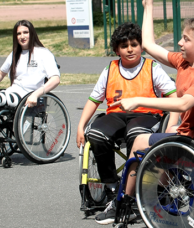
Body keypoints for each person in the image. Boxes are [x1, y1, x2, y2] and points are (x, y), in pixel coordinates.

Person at [109, 0, 194, 204]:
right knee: (170, 128)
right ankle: (162, 190)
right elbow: (150, 45)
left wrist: (138, 101)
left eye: (186, 39)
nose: (180, 43)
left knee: (141, 141)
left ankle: (125, 201)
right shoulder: (185, 62)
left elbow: (182, 104)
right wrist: (148, 4)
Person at [75, 22, 178, 225]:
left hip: (146, 114)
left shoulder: (152, 67)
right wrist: (81, 126)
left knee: (136, 134)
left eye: (134, 44)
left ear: (141, 46)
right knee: (96, 134)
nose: (130, 49)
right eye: (124, 46)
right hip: (116, 114)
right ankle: (112, 186)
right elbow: (94, 100)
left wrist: (170, 127)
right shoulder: (110, 69)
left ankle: (134, 188)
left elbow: (174, 97)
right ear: (116, 50)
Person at [0, 20, 60, 162]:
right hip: (12, 92)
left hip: (28, 96)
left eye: (25, 32)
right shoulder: (15, 54)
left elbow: (55, 79)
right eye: (18, 33)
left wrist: (36, 94)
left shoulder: (43, 53)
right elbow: (0, 73)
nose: (22, 36)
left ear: (32, 33)